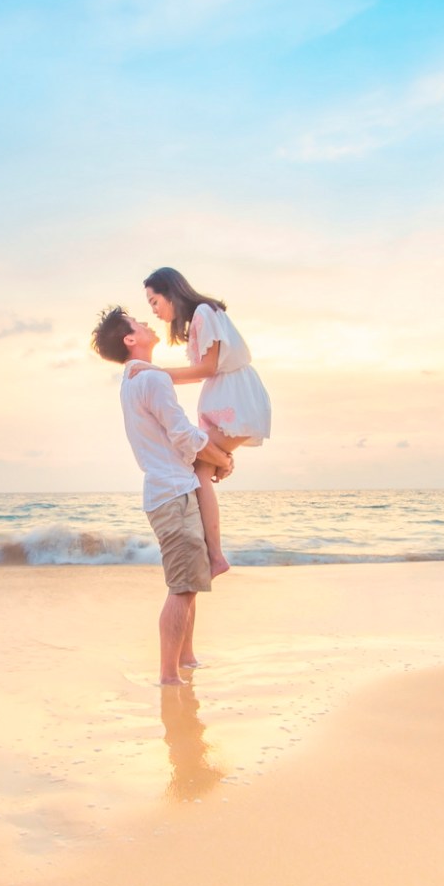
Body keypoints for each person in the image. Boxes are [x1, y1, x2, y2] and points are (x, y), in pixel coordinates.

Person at [91, 305, 233, 686]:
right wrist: (220, 457)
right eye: (139, 323)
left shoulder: (134, 380)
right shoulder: (151, 381)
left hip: (170, 490)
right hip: (172, 493)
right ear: (130, 339)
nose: (147, 323)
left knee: (191, 582)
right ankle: (169, 677)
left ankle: (186, 657)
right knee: (182, 587)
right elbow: (183, 435)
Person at [128, 267, 271, 578]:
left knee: (200, 468)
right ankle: (215, 554)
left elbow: (207, 368)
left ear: (171, 292)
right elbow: (207, 371)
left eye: (154, 302)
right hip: (227, 398)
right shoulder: (199, 319)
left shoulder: (204, 312)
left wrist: (158, 373)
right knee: (205, 467)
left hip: (235, 398)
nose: (153, 311)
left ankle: (216, 555)